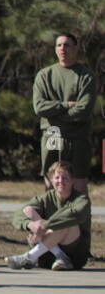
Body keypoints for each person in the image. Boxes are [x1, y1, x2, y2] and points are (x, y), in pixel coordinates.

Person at [32, 33, 95, 194]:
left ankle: (79, 218)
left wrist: (54, 115)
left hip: (77, 139)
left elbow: (83, 110)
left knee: (79, 185)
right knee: (51, 184)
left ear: (75, 48)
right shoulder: (44, 76)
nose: (62, 48)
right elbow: (39, 107)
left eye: (67, 45)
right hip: (52, 137)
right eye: (59, 45)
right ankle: (52, 219)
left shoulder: (85, 76)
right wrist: (65, 105)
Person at [8, 161, 92, 270]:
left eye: (65, 178)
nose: (60, 181)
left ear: (72, 181)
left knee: (67, 222)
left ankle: (29, 257)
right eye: (57, 178)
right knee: (29, 210)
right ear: (52, 181)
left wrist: (45, 227)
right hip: (47, 256)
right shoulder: (45, 198)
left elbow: (76, 214)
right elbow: (18, 215)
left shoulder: (81, 199)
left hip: (74, 255)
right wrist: (30, 225)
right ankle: (59, 255)